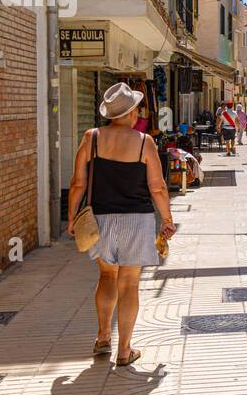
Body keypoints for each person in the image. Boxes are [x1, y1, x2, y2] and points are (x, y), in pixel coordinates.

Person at [67, 82, 176, 367]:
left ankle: (103, 336)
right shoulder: (144, 142)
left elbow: (78, 182)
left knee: (107, 277)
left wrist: (71, 216)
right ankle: (125, 350)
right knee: (129, 284)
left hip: (101, 218)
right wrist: (166, 219)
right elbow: (158, 187)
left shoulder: (91, 138)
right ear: (131, 112)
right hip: (137, 220)